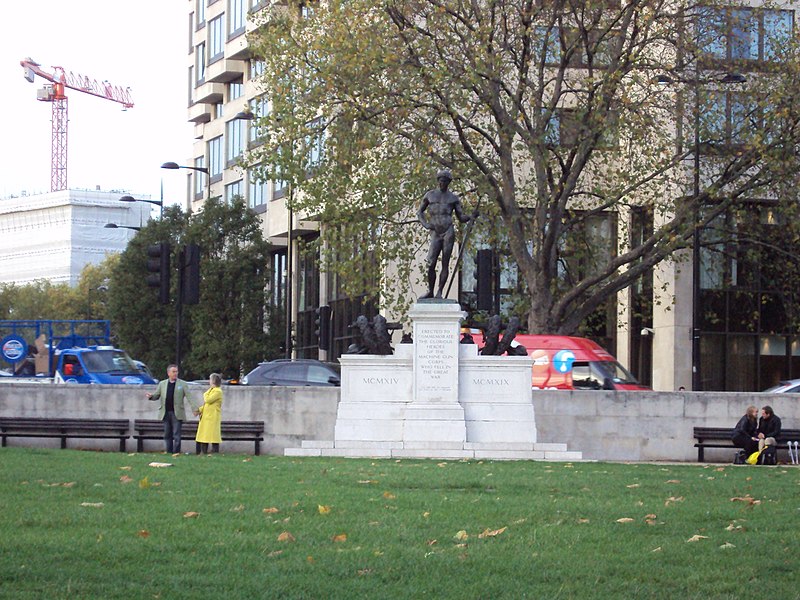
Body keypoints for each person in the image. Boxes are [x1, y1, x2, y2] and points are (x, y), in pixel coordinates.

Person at [417, 170, 476, 299]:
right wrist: (426, 224)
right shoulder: (429, 195)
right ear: (438, 181)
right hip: (435, 231)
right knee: (431, 262)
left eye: (445, 181)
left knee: (445, 262)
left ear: (448, 182)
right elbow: (420, 212)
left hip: (448, 231)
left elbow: (461, 217)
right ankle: (430, 291)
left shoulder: (453, 198)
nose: (442, 183)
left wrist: (471, 216)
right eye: (441, 180)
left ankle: (440, 292)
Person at [145, 364, 198, 454]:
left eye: (176, 371)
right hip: (165, 412)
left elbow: (190, 397)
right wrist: (151, 396)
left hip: (177, 413)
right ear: (168, 373)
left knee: (176, 434)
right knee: (167, 434)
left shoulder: (183, 384)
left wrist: (195, 408)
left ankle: (176, 452)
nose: (175, 373)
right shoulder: (162, 384)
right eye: (173, 371)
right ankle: (169, 451)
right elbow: (157, 396)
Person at [195, 373, 223, 454]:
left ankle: (215, 451)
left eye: (210, 379)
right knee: (204, 436)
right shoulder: (211, 390)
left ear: (214, 381)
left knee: (213, 436)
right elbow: (206, 405)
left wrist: (205, 394)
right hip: (206, 417)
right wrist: (199, 410)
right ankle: (204, 452)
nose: (209, 381)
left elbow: (208, 400)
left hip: (212, 417)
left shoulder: (218, 391)